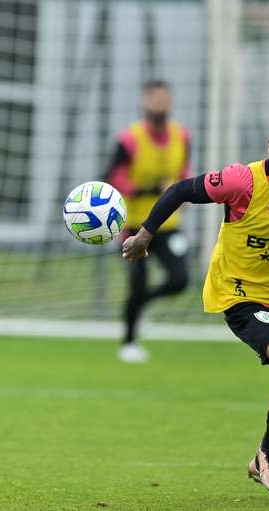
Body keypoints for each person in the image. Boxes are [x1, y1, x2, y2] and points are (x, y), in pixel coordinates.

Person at [122, 112, 269, 500]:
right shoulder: (243, 180)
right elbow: (180, 190)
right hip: (239, 294)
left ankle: (263, 458)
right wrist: (144, 235)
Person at [106, 80, 191, 363]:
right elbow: (112, 179)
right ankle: (129, 342)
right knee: (137, 282)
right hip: (134, 226)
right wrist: (150, 189)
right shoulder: (129, 140)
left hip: (169, 226)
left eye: (165, 99)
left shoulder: (182, 137)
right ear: (144, 103)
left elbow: (184, 174)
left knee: (181, 279)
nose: (160, 105)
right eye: (154, 99)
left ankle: (143, 303)